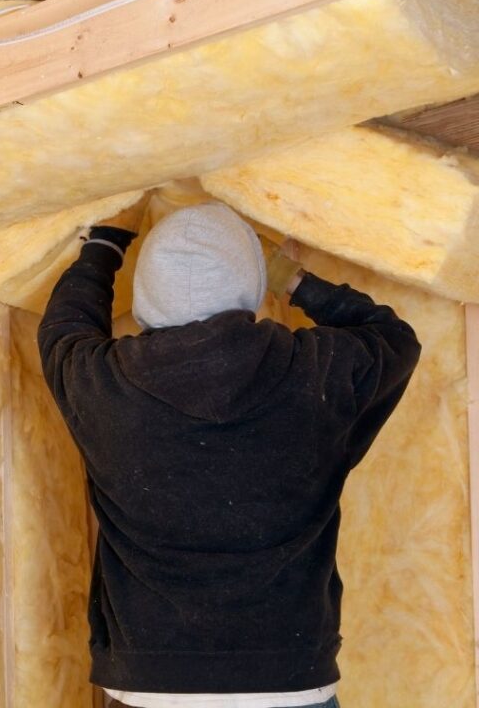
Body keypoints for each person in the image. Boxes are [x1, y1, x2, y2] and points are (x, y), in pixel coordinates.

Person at [38, 201, 421, 708]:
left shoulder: (102, 384)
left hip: (150, 682)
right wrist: (293, 280)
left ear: (149, 295)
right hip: (291, 676)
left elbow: (64, 326)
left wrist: (107, 241)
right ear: (250, 288)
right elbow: (394, 337)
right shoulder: (318, 372)